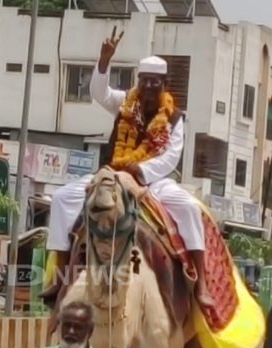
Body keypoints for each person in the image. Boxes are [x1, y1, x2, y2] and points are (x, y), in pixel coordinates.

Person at [41, 28, 213, 310]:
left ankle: (201, 284)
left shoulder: (175, 117)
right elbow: (99, 92)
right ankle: (61, 276)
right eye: (144, 81)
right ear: (138, 81)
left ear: (164, 84)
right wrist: (104, 60)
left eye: (154, 83)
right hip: (113, 175)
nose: (148, 87)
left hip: (152, 181)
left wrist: (140, 170)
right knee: (62, 198)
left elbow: (172, 157)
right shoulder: (125, 103)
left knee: (189, 207)